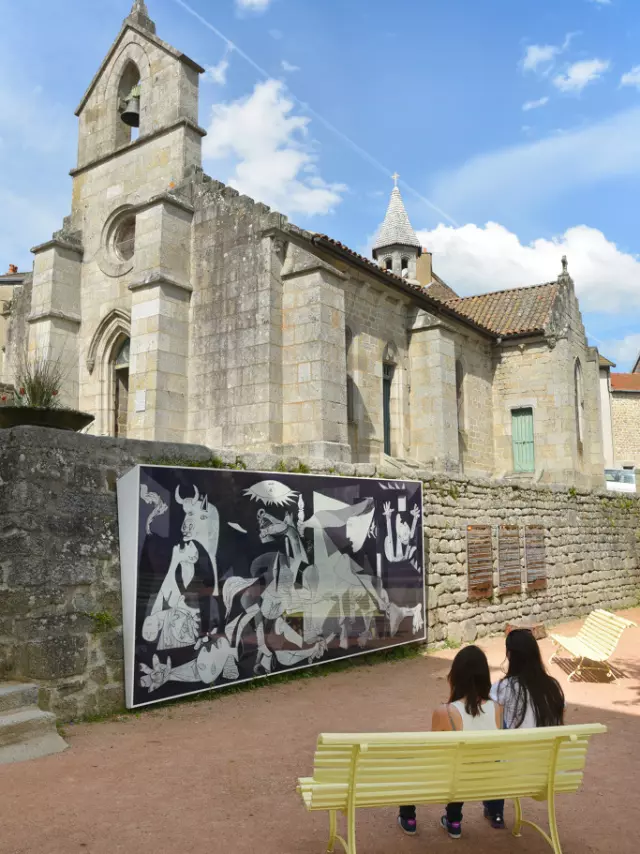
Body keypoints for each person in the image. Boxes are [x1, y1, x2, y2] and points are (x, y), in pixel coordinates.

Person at [398, 645, 504, 839]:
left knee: (414, 761)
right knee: (463, 764)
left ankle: (409, 817)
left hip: (451, 780)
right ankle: (454, 821)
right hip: (484, 781)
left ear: (455, 676)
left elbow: (434, 754)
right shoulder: (497, 709)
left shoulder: (446, 712)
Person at [486, 629, 565, 826]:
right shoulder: (553, 687)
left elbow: (489, 714)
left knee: (495, 744)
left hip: (514, 769)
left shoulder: (504, 688)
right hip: (547, 770)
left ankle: (496, 812)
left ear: (510, 655)